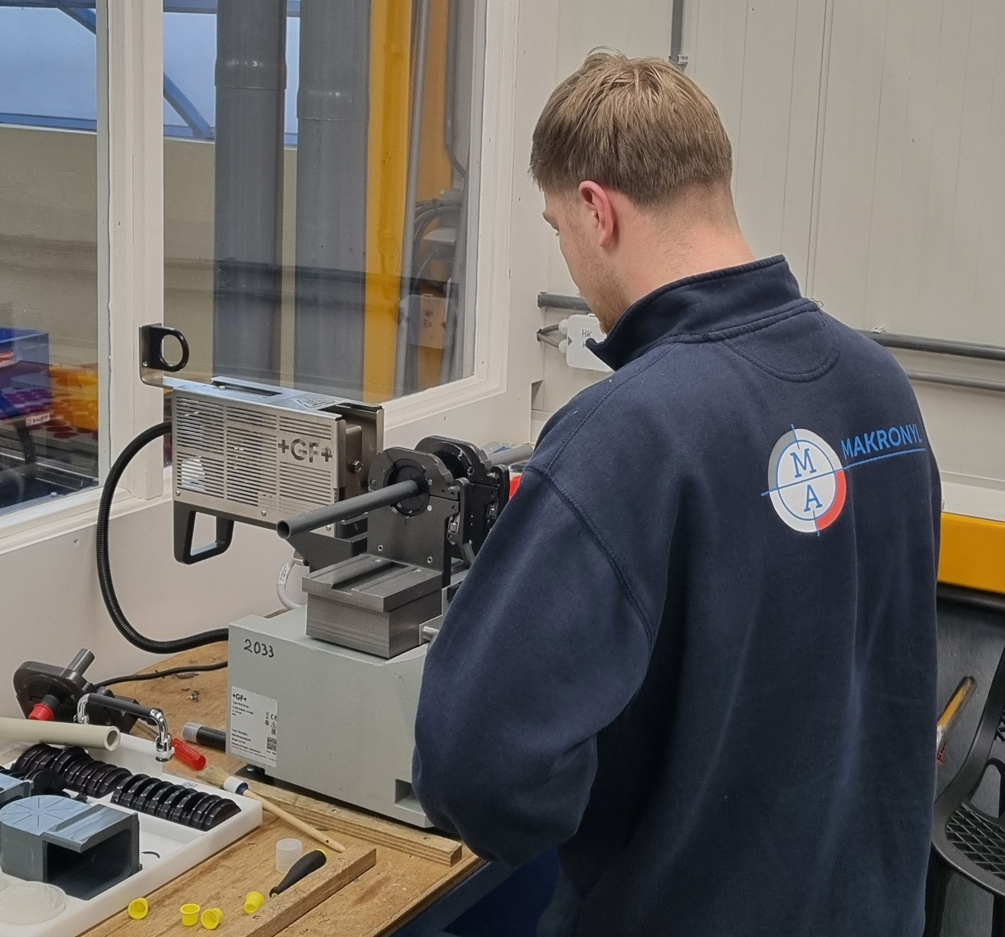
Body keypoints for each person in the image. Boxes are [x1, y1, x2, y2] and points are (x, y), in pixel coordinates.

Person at [412, 51, 940, 937]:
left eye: (557, 227)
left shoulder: (624, 434)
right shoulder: (878, 388)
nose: (568, 255)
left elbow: (476, 763)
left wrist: (581, 806)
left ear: (596, 210)